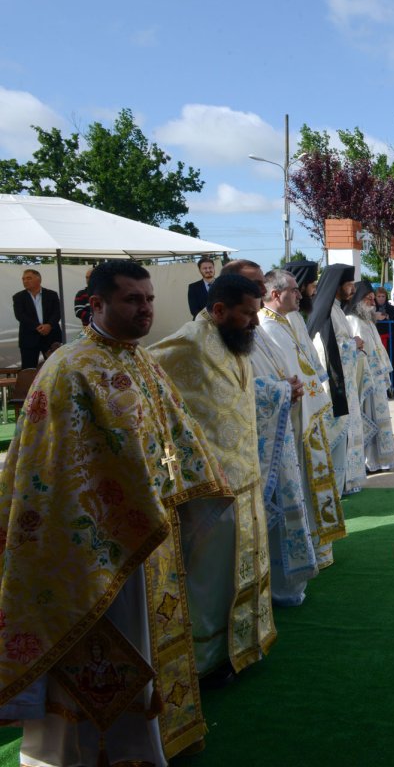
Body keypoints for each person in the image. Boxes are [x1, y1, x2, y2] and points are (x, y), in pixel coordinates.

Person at [0, 260, 228, 764]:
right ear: (96, 304)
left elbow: (176, 434)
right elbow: (51, 471)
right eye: (132, 299)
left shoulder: (140, 360)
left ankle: (153, 739)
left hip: (151, 533)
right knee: (109, 643)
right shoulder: (68, 368)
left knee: (147, 638)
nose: (145, 309)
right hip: (93, 547)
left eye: (148, 299)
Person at [150, 274, 275, 685]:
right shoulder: (185, 343)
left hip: (246, 479)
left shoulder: (235, 339)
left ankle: (244, 644)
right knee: (209, 577)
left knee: (241, 567)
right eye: (247, 314)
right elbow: (142, 379)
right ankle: (205, 661)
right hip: (209, 485)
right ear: (219, 311)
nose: (255, 322)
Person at [222, 261, 321, 608]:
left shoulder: (257, 326)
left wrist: (289, 387)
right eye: (254, 285)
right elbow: (231, 391)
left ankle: (284, 583)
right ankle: (269, 585)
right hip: (257, 440)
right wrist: (282, 390)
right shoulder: (234, 329)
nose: (260, 292)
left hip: (277, 427)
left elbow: (282, 367)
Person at [258, 269, 345, 575]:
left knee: (313, 480)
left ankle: (319, 545)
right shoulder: (266, 327)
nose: (301, 294)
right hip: (295, 419)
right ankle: (306, 548)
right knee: (302, 484)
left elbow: (306, 362)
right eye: (294, 290)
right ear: (275, 295)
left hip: (307, 411)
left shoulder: (289, 320)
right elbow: (286, 373)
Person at [309, 264, 366, 496]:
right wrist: (354, 344)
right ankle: (337, 485)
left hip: (345, 380)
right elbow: (325, 351)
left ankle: (346, 482)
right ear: (337, 285)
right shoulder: (326, 311)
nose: (353, 289)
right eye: (349, 284)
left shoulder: (336, 309)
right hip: (333, 385)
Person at [345, 281, 394, 473]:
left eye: (372, 298)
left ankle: (382, 459)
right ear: (357, 300)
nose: (372, 301)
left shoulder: (368, 320)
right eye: (367, 298)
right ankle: (368, 461)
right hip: (364, 378)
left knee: (379, 417)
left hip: (376, 378)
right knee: (367, 418)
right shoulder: (351, 320)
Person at [12, 268, 63, 368]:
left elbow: (57, 312)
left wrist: (49, 325)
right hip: (29, 338)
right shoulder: (18, 297)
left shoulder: (52, 295)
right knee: (28, 368)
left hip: (51, 336)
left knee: (55, 367)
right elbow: (20, 315)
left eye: (29, 278)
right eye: (23, 279)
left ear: (38, 280)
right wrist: (38, 327)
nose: (25, 281)